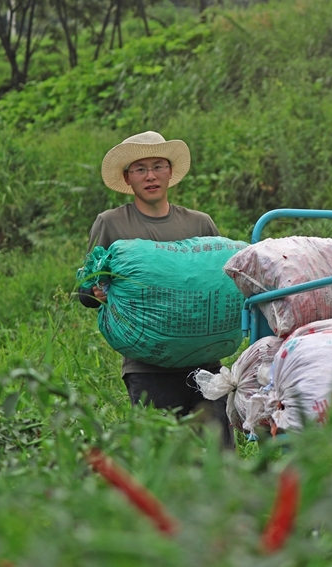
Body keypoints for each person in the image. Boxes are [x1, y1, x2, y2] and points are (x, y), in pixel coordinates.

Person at [78, 130, 234, 449]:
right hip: (148, 367)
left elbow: (220, 282)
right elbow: (84, 290)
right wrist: (97, 292)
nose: (151, 176)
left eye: (158, 166)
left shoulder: (200, 224)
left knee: (220, 458)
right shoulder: (111, 223)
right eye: (140, 169)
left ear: (170, 172)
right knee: (161, 459)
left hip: (205, 364)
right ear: (128, 177)